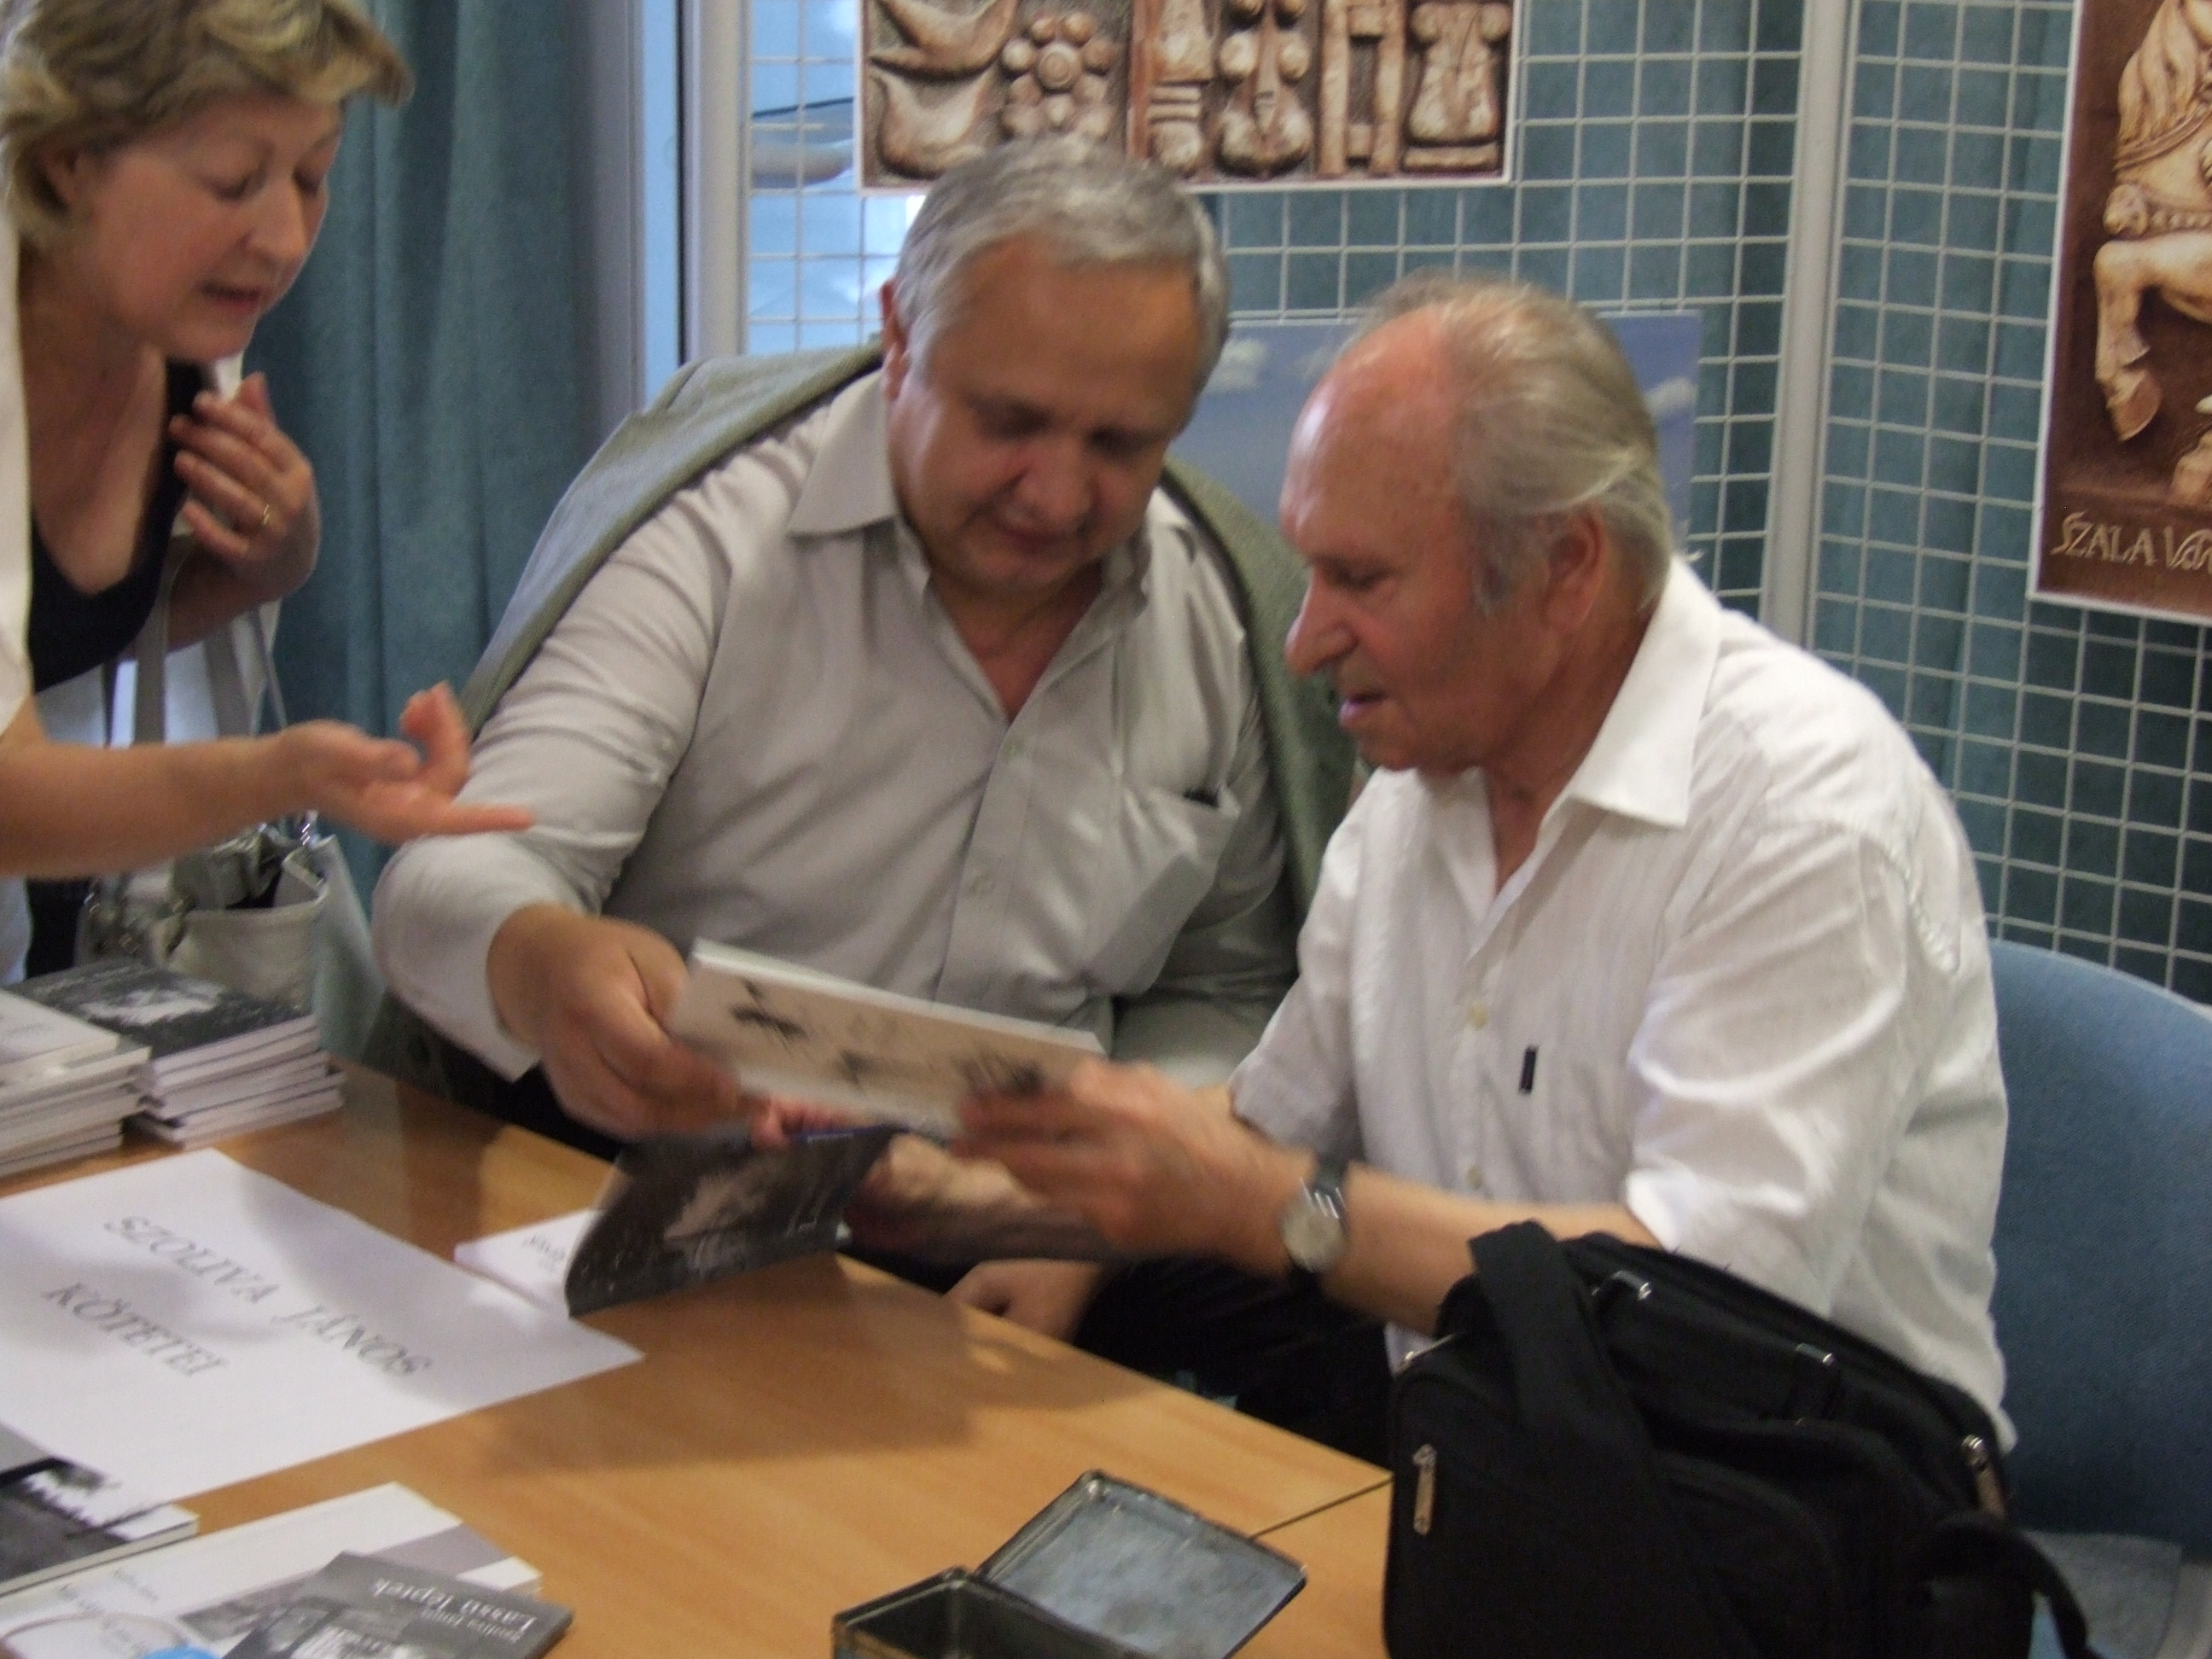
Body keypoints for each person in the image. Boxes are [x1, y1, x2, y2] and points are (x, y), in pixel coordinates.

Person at [864, 274, 2010, 1458]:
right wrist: (985, 1200)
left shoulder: (1804, 815)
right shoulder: (1420, 787)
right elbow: (1268, 1122)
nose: (1304, 642)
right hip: (1482, 1474)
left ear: (1566, 568)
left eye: (1361, 581)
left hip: (1790, 1512)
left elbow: (1701, 1310)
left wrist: (1261, 1207)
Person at [372, 142, 1349, 1338]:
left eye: (1119, 445)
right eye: (1010, 421)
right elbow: (445, 883)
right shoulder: (717, 541)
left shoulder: (1220, 615)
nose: (1054, 495)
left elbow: (1230, 988)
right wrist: (542, 964)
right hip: (653, 1192)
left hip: (1027, 1230)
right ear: (896, 336)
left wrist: (1086, 1215)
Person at [0, 0, 527, 971]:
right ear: (68, 161)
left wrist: (268, 564)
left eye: (312, 177)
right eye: (234, 181)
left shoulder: (184, 333)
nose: (284, 237)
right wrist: (283, 773)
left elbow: (56, 632)